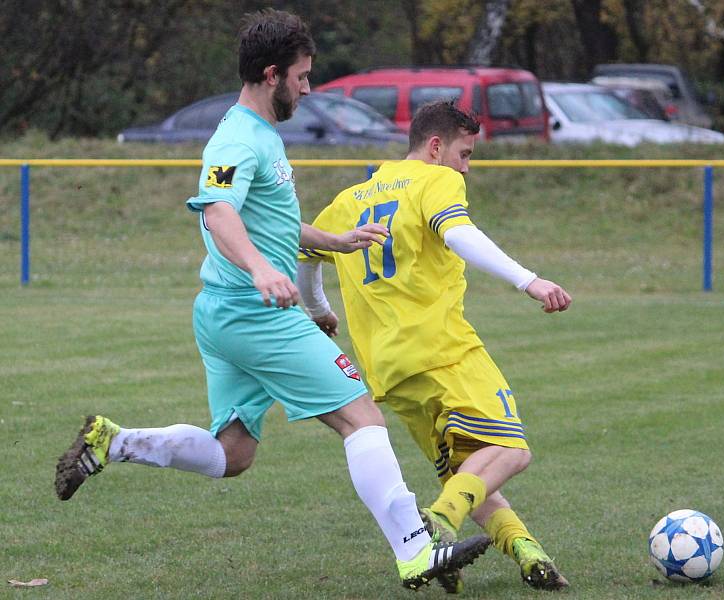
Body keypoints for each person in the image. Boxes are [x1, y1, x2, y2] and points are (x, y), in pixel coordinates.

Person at [54, 10, 490, 590]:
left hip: (225, 313)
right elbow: (218, 212)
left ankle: (116, 441)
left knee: (231, 453)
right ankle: (415, 549)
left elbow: (268, 219)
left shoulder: (262, 134)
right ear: (271, 74)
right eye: (302, 76)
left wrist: (332, 241)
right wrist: (262, 270)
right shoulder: (235, 138)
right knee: (360, 415)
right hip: (253, 311)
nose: (308, 87)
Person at [296, 100, 573, 593]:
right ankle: (438, 522)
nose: (466, 167)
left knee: (470, 474)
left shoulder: (349, 199)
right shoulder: (435, 179)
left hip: (388, 370)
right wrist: (528, 280)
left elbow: (306, 252)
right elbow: (459, 232)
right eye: (465, 154)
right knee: (510, 451)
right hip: (444, 350)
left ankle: (527, 550)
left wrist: (317, 308)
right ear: (436, 146)